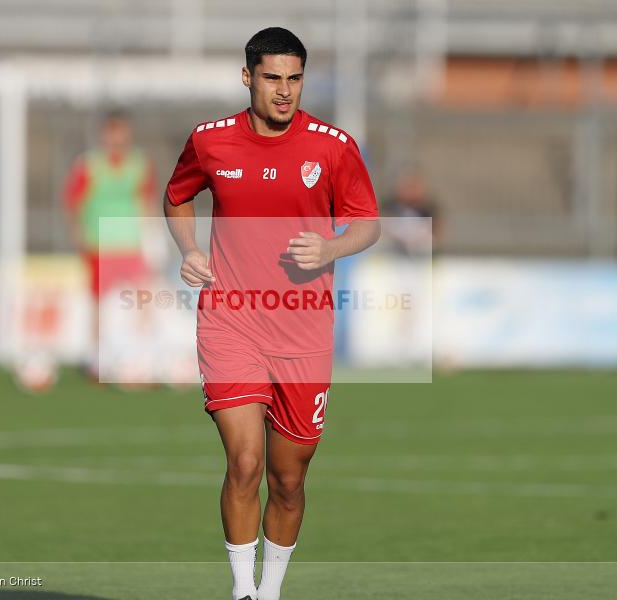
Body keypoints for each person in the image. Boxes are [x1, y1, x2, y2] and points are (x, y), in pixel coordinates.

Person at [164, 27, 380, 600]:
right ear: (248, 77)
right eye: (272, 78)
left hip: (304, 332)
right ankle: (243, 592)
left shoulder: (333, 147)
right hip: (230, 321)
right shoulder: (210, 141)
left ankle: (271, 590)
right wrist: (189, 249)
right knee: (245, 462)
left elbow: (367, 222)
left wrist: (331, 248)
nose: (284, 90)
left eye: (294, 78)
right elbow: (177, 196)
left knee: (288, 479)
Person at [62, 109, 157, 382]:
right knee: (98, 304)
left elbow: (146, 201)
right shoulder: (89, 165)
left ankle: (141, 358)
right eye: (111, 132)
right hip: (99, 245)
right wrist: (78, 236)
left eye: (121, 132)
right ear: (103, 135)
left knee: (143, 299)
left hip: (131, 244)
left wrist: (152, 237)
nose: (116, 138)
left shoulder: (139, 164)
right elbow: (73, 202)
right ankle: (98, 360)